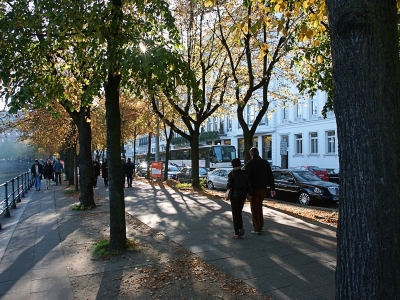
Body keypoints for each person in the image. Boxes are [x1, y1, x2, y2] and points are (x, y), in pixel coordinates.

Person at [245, 147, 276, 235]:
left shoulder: (249, 164)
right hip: (263, 188)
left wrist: (249, 192)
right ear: (258, 153)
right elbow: (270, 176)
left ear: (251, 154)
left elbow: (248, 180)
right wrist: (273, 188)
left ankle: (257, 228)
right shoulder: (265, 162)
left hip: (254, 189)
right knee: (259, 206)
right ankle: (260, 225)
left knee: (255, 209)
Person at [226, 158, 252, 239]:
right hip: (243, 195)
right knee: (239, 212)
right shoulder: (245, 173)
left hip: (234, 196)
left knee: (235, 213)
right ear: (240, 164)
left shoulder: (231, 174)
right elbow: (249, 184)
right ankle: (240, 228)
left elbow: (229, 185)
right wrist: (250, 194)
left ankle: (237, 232)